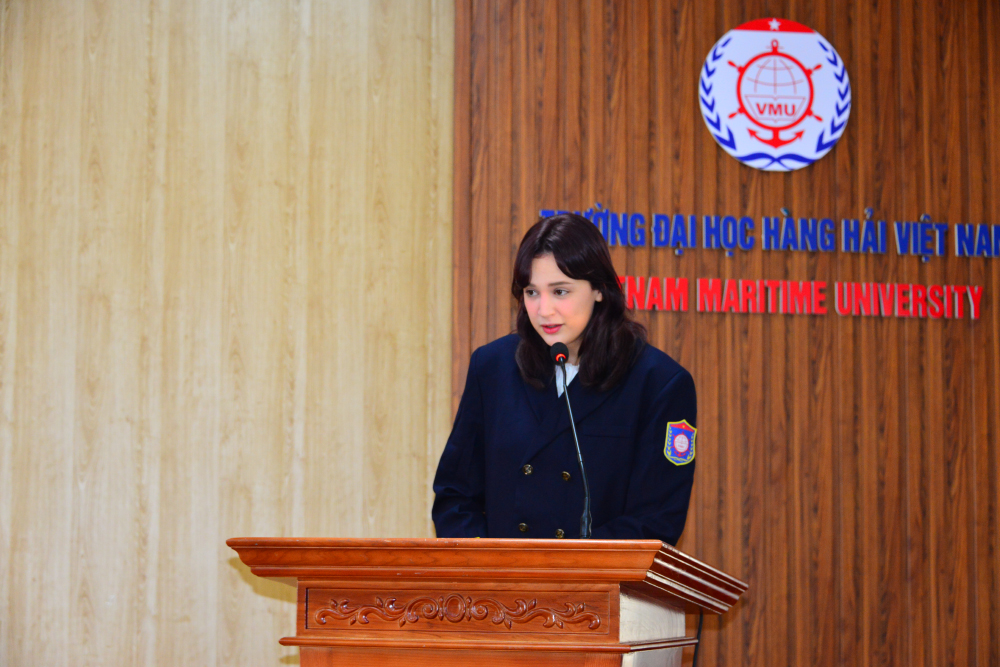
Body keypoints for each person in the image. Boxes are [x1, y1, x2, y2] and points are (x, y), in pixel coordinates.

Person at [432, 213, 697, 544]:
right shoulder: (492, 367)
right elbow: (455, 496)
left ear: (599, 289)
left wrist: (563, 566)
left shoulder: (659, 383)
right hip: (501, 575)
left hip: (596, 576)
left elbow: (656, 520)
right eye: (531, 292)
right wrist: (485, 564)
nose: (544, 310)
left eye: (559, 291)